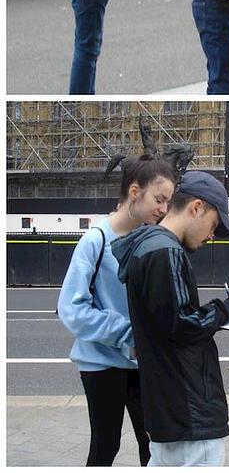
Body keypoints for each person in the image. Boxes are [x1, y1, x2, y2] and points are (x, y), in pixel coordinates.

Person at [112, 171, 229, 467]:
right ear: (196, 208)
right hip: (190, 411)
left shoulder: (147, 246)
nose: (211, 235)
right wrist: (228, 310)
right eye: (214, 224)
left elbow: (165, 323)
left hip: (166, 408)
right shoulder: (166, 251)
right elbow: (182, 325)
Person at [57, 155, 175, 466]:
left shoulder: (151, 239)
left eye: (168, 202)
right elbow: (70, 309)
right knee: (105, 447)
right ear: (135, 192)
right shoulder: (95, 240)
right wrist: (129, 334)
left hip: (143, 362)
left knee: (154, 447)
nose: (164, 209)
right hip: (101, 364)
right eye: (159, 199)